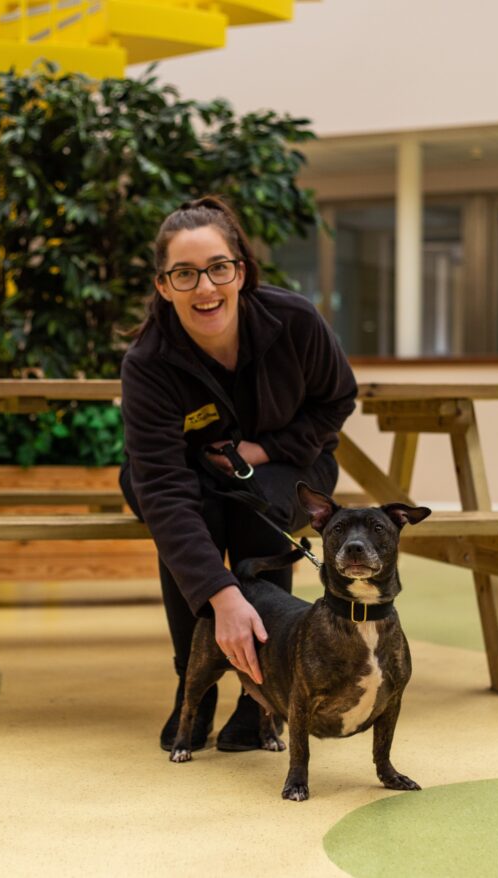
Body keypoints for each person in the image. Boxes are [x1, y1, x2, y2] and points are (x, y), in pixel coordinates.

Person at [119, 195, 357, 752]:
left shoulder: (294, 320)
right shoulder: (148, 363)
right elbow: (163, 490)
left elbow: (336, 400)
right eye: (184, 274)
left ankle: (262, 694)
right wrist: (221, 596)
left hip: (290, 466)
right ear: (163, 285)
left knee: (259, 504)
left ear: (239, 271)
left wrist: (265, 448)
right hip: (177, 478)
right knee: (194, 513)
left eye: (217, 268)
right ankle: (193, 687)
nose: (205, 288)